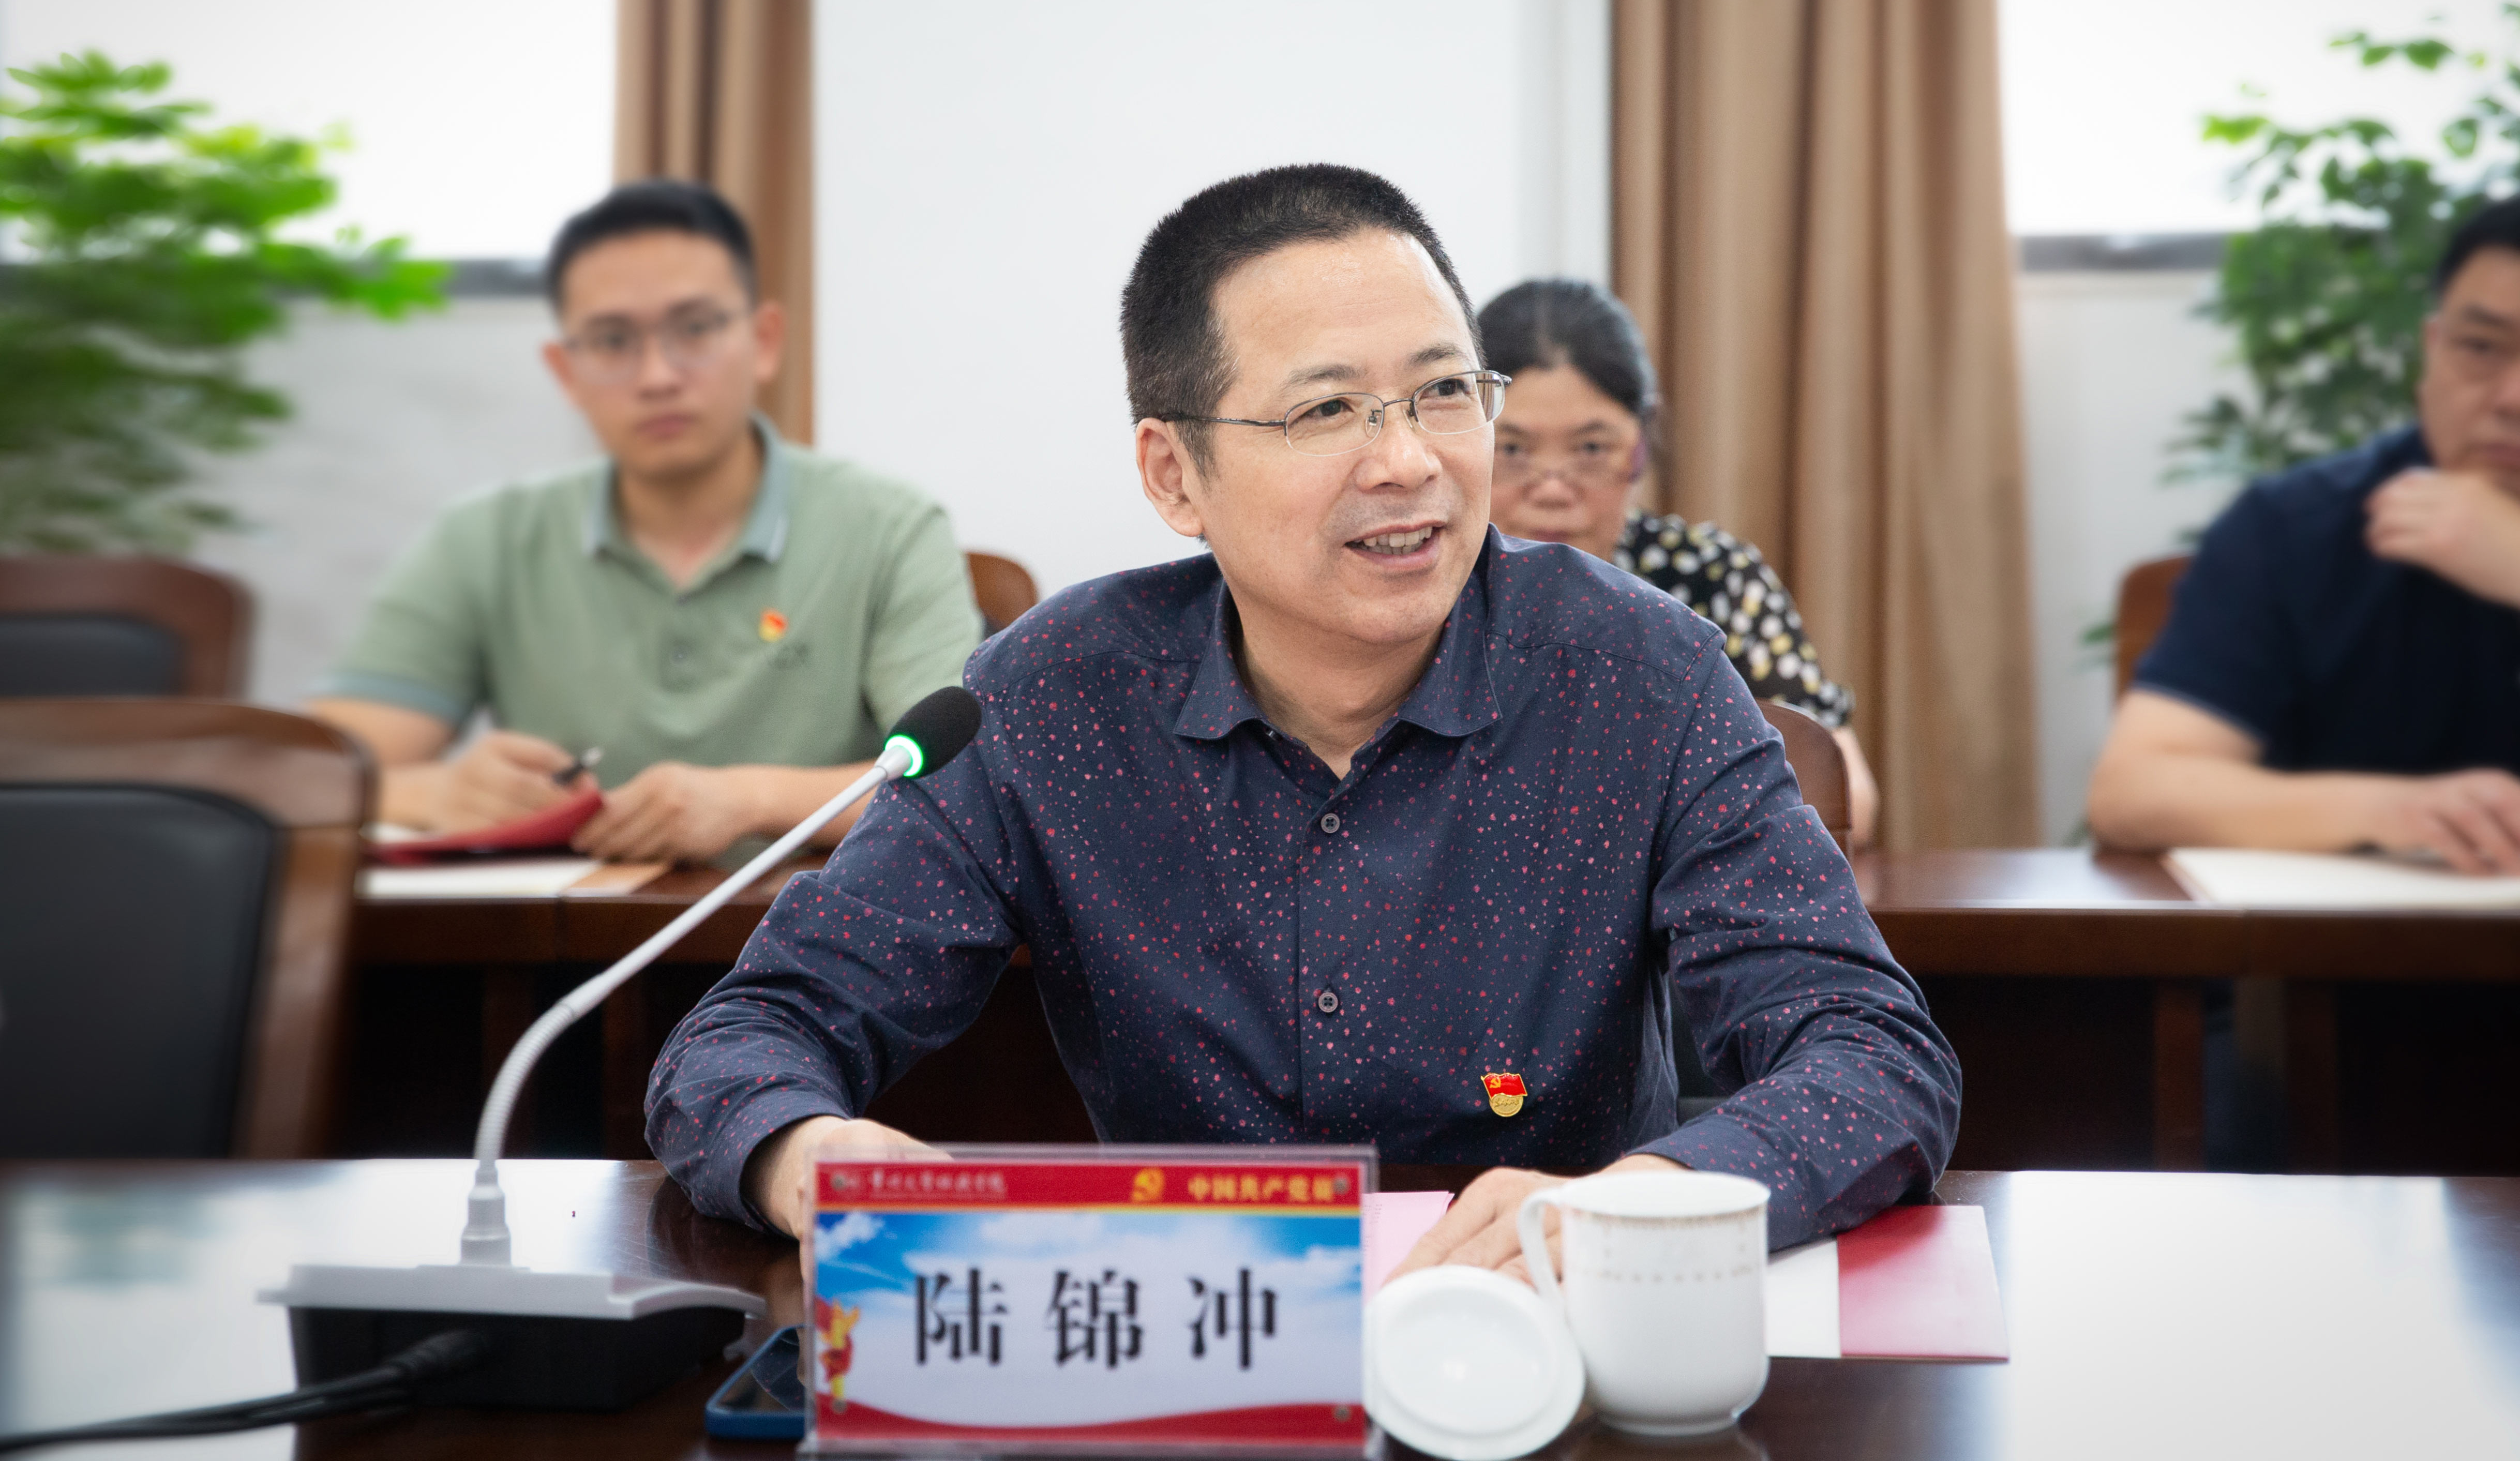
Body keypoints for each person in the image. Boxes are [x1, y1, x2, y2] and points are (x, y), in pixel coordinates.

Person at [647, 163, 1958, 1267]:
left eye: (1445, 391)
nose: (1409, 459)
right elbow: (747, 1038)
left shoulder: (1640, 676)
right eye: (1329, 408)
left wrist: (1641, 1205)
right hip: (1193, 1360)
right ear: (1175, 473)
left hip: (1544, 1357)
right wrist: (811, 1155)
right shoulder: (1050, 702)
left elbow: (1875, 1055)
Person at [309, 179, 982, 864]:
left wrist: (752, 799)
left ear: (765, 341)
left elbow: (967, 781)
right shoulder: (484, 537)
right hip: (557, 927)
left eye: (695, 328)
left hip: (809, 926)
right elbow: (303, 771)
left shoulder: (891, 528)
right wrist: (438, 792)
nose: (658, 375)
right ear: (565, 371)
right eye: (613, 340)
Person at [2087, 195, 2520, 874]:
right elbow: (2133, 791)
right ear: (2432, 349)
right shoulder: (2295, 526)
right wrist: (2391, 810)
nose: (2512, 398)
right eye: (2482, 348)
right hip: (2350, 938)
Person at [1478, 279, 1881, 847]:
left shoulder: (1713, 576)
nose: (1552, 489)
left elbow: (1846, 798)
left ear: (1641, 448)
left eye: (1591, 449)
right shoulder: (1429, 587)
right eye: (1514, 450)